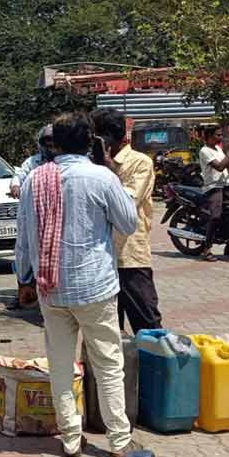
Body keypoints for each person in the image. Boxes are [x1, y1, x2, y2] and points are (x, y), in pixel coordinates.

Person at [15, 112, 139, 457]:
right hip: (95, 286)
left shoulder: (35, 179)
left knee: (60, 364)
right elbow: (128, 223)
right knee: (108, 364)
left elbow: (24, 236)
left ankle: (70, 439)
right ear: (90, 141)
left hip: (50, 288)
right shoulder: (101, 177)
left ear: (54, 143)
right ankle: (118, 442)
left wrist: (23, 278)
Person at [91, 108, 162, 332]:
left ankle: (154, 366)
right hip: (101, 256)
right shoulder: (89, 165)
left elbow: (127, 204)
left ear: (110, 136)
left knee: (146, 322)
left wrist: (109, 169)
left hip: (130, 256)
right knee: (108, 328)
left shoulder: (140, 163)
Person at [197, 126, 229, 261]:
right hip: (214, 187)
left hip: (226, 185)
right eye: (218, 135)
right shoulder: (205, 151)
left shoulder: (218, 149)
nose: (220, 137)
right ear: (209, 136)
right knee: (215, 216)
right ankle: (206, 249)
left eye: (221, 135)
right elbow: (220, 167)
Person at [8, 124, 57, 198]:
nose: (49, 144)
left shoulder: (65, 160)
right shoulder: (32, 161)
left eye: (52, 141)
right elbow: (20, 175)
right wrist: (15, 186)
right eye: (46, 141)